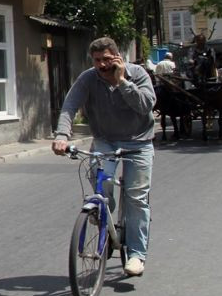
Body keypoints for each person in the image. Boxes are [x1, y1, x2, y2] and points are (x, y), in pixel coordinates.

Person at [51, 37, 156, 277]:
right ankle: (106, 225)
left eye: (107, 59)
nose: (101, 65)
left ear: (118, 57)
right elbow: (70, 106)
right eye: (97, 60)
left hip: (138, 143)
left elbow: (146, 105)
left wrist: (121, 82)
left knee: (136, 198)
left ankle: (137, 255)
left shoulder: (137, 74)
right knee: (101, 188)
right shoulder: (88, 78)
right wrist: (61, 135)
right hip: (105, 140)